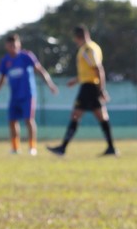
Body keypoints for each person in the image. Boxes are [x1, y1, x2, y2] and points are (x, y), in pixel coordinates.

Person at [48, 25, 117, 157]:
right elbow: (89, 71)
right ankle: (111, 148)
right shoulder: (94, 47)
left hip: (89, 87)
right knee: (102, 117)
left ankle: (62, 148)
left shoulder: (87, 49)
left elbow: (98, 69)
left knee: (75, 115)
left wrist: (102, 89)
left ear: (77, 37)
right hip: (90, 85)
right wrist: (76, 80)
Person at [0, 34, 58, 156]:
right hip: (14, 96)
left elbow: (40, 70)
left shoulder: (26, 56)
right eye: (10, 46)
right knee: (12, 121)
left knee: (28, 120)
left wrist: (50, 84)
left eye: (15, 45)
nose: (13, 48)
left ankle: (32, 147)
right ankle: (15, 148)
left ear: (19, 44)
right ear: (6, 46)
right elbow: (1, 79)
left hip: (28, 95)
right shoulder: (5, 61)